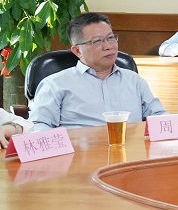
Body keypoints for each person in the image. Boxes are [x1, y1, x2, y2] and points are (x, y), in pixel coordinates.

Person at [29, 13, 167, 130]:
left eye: (111, 38)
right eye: (97, 41)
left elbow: (160, 117)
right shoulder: (55, 84)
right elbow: (38, 125)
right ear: (77, 51)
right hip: (79, 152)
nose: (108, 46)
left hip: (131, 150)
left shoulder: (134, 80)